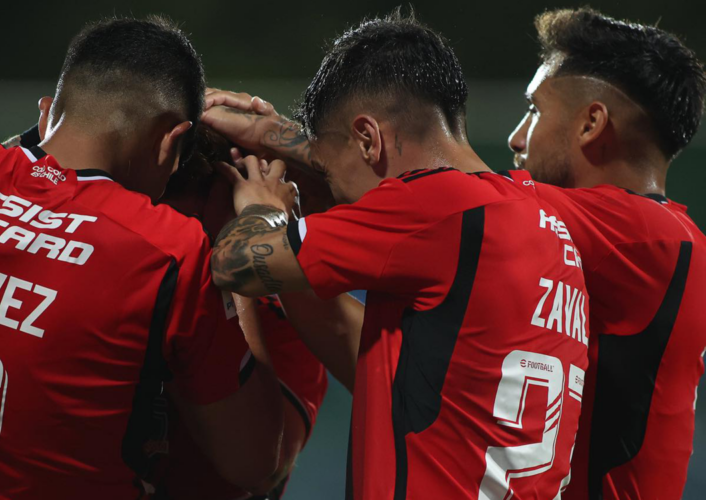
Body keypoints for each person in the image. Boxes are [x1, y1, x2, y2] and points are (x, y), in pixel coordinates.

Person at [208, 11, 590, 500]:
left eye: (330, 173)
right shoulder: (539, 223)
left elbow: (235, 262)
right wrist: (286, 139)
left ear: (368, 138)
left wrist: (264, 208)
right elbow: (366, 358)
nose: (340, 198)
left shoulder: (431, 204)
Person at [0, 16, 285, 499]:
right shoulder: (167, 250)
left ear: (46, 114)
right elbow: (254, 461)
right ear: (170, 145)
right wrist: (248, 244)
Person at [507, 8, 706, 499]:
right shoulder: (654, 238)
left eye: (534, 109)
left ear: (591, 123)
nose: (516, 136)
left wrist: (318, 151)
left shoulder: (644, 236)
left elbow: (449, 194)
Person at [148, 126, 329, 500]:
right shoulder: (107, 258)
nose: (178, 244)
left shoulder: (284, 315)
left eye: (198, 231)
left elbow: (263, 471)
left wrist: (233, 264)